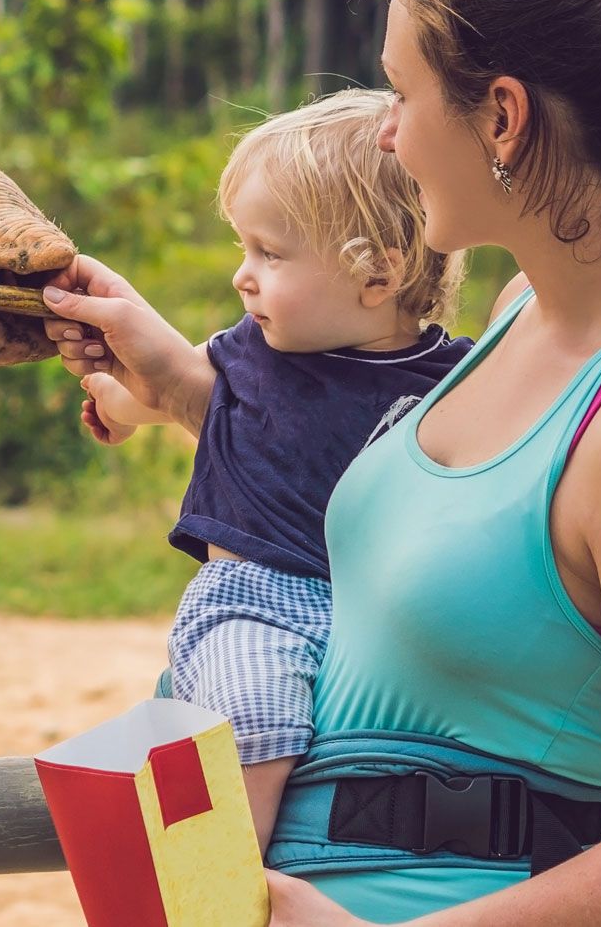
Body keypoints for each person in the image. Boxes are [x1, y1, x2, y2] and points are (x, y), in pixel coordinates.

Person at [48, 0, 601, 924]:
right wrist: (177, 381)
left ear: (501, 116)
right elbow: (453, 541)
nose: (384, 137)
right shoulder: (516, 319)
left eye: (400, 95)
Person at [54, 87, 473, 848]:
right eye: (246, 249)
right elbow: (161, 390)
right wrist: (110, 403)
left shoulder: (455, 379)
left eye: (270, 254)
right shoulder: (249, 354)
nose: (243, 277)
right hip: (257, 603)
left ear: (378, 276)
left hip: (377, 612)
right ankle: (229, 882)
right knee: (256, 718)